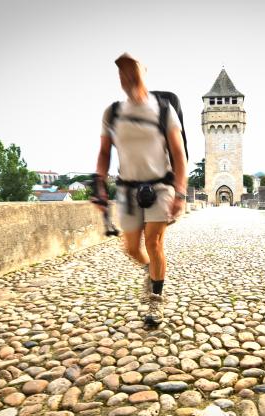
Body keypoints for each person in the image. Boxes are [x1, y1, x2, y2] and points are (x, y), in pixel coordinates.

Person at [95, 53, 187, 327]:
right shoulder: (112, 113)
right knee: (132, 248)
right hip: (127, 190)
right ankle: (152, 271)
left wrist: (180, 192)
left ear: (143, 74)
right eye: (122, 74)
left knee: (154, 242)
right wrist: (99, 186)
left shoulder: (162, 110)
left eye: (132, 73)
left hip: (160, 187)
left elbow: (178, 154)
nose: (127, 79)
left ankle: (156, 302)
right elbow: (103, 153)